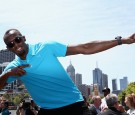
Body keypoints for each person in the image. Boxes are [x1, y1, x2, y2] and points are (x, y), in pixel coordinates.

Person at [0, 29, 135, 115]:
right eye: (11, 44)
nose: (16, 44)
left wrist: (120, 40)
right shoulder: (13, 67)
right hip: (48, 111)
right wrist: (8, 74)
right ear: (8, 48)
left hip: (75, 106)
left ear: (24, 38)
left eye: (17, 40)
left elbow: (84, 48)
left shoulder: (46, 47)